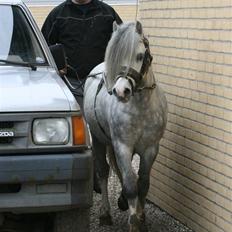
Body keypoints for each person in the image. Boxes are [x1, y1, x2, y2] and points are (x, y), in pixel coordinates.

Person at [41, 0, 122, 109]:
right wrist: (55, 66)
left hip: (102, 84)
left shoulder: (107, 13)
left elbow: (122, 44)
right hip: (70, 84)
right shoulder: (58, 14)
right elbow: (43, 47)